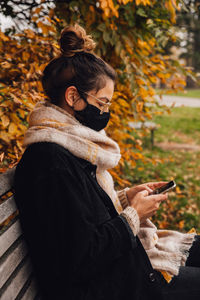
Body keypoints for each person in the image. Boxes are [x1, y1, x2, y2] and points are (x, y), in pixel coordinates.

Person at [13, 24, 200, 300]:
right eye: (102, 103)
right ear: (73, 97)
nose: (105, 113)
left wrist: (125, 199)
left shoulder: (62, 149)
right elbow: (82, 256)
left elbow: (79, 213)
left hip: (117, 272)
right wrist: (133, 215)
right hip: (108, 288)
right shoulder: (49, 163)